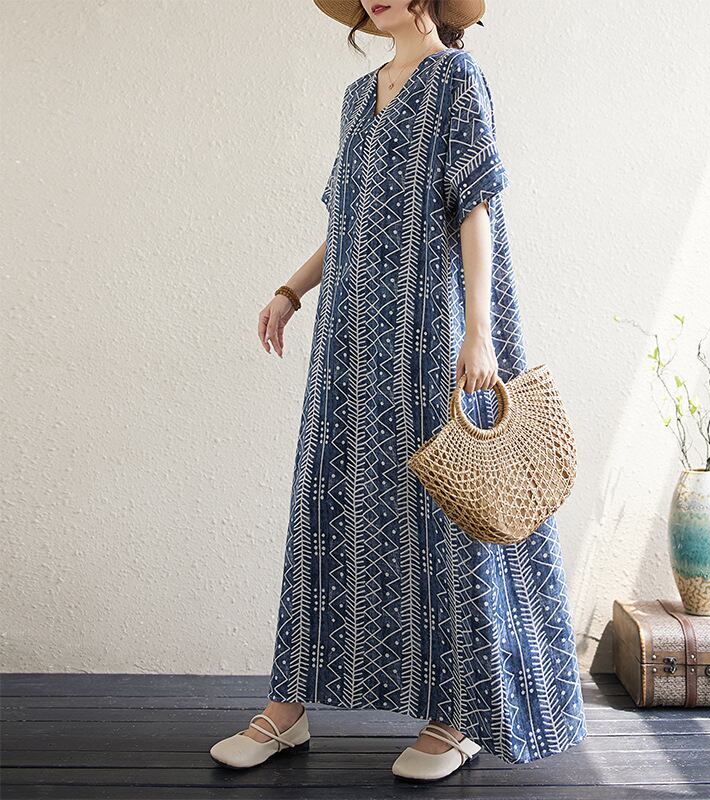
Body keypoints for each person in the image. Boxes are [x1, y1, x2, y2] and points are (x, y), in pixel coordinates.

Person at [210, 0, 587, 781]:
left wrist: (478, 330)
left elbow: (476, 207)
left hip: (430, 330)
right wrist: (290, 291)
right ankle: (288, 708)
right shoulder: (359, 96)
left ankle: (458, 718)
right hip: (350, 338)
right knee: (328, 505)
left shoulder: (458, 79)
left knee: (448, 511)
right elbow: (347, 221)